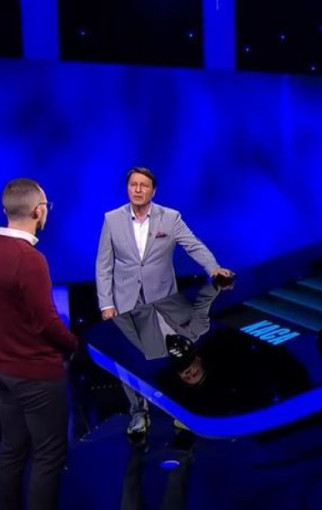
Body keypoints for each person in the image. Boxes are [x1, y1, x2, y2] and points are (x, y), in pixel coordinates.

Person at [96, 166, 233, 436]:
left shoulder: (170, 218)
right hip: (126, 305)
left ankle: (179, 412)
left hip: (164, 302)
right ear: (128, 188)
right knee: (128, 363)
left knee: (172, 358)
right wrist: (106, 304)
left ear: (153, 191)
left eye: (143, 185)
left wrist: (214, 268)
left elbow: (193, 244)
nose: (137, 190)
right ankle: (138, 413)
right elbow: (104, 264)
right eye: (133, 185)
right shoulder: (112, 220)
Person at [0, 178, 78, 510]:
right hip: (37, 375)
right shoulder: (30, 259)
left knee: (11, 450)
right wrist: (74, 344)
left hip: (4, 372)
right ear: (38, 211)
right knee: (48, 456)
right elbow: (46, 322)